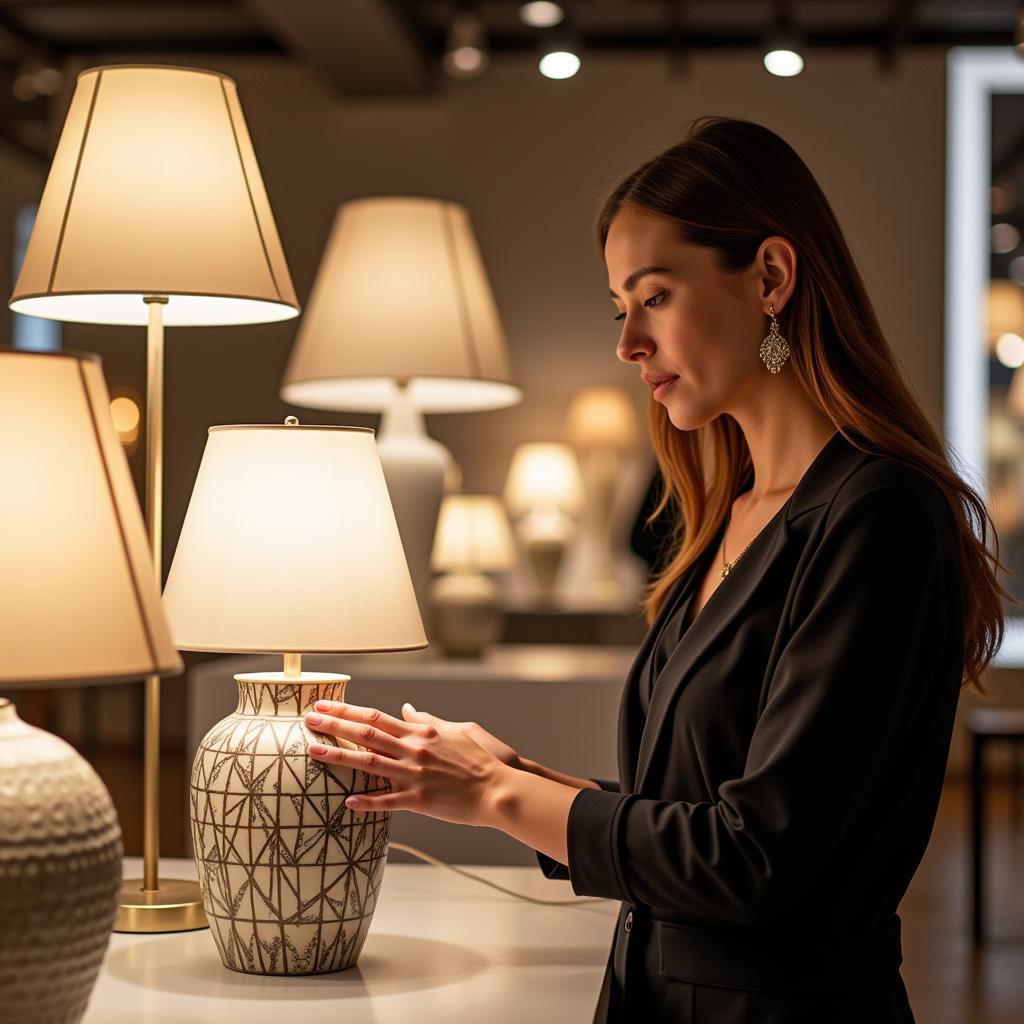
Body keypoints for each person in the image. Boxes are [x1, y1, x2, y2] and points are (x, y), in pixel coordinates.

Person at [301, 117, 1013, 1023]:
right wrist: (509, 772)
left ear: (770, 277)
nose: (627, 342)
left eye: (655, 296)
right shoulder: (730, 517)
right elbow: (685, 812)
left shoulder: (880, 516)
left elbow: (756, 860)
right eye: (618, 308)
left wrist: (496, 795)